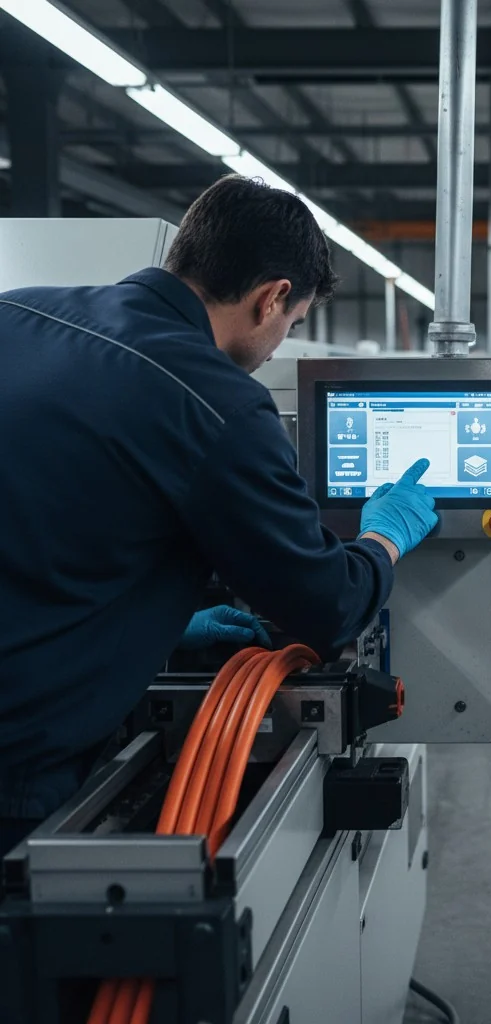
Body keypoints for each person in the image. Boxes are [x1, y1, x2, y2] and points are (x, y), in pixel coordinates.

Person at [0, 175, 438, 854]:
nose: (278, 344)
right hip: (21, 756)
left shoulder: (18, 311)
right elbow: (326, 603)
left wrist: (165, 619)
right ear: (272, 299)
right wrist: (386, 534)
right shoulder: (217, 403)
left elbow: (55, 512)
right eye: (292, 326)